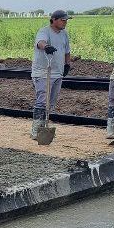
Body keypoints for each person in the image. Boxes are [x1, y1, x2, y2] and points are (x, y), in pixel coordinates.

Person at [30, 10, 72, 139]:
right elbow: (40, 42)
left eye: (66, 20)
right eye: (62, 20)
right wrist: (46, 46)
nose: (65, 23)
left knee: (51, 103)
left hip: (57, 72)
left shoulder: (64, 34)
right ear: (54, 19)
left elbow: (67, 51)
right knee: (43, 101)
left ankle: (44, 127)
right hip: (43, 72)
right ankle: (36, 129)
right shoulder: (44, 31)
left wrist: (67, 64)